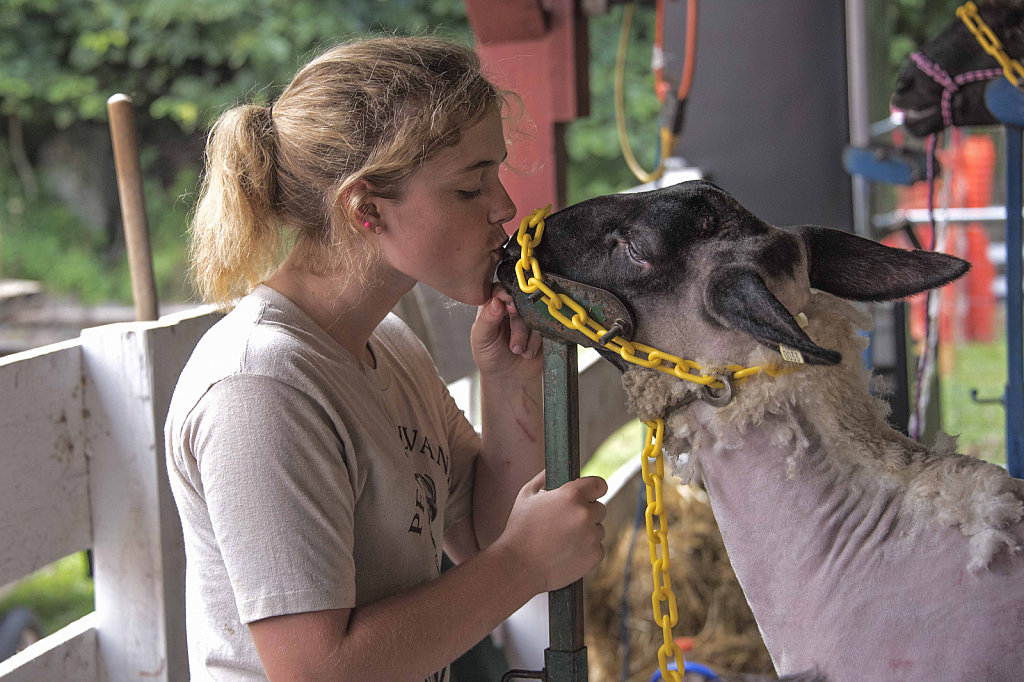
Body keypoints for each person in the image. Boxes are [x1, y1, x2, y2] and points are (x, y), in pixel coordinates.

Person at [164, 36, 608, 682]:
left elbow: (480, 538)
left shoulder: (389, 346)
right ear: (366, 208)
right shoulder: (260, 386)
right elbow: (319, 671)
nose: (505, 207)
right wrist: (525, 565)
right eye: (469, 187)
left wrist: (508, 383)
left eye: (497, 174)